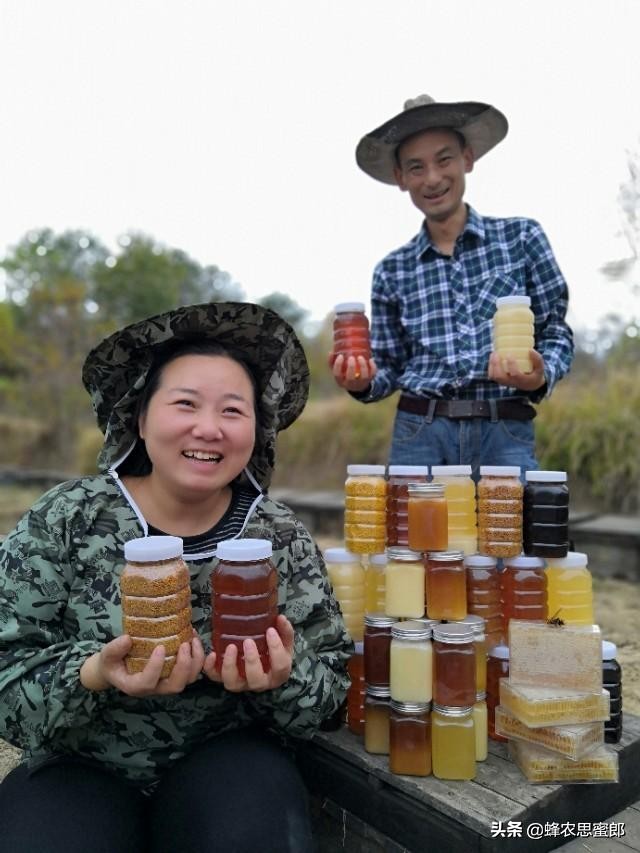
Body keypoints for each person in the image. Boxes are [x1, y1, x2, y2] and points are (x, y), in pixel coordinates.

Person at [0, 301, 352, 853]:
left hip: (229, 759)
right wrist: (93, 673)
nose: (208, 428)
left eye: (233, 411)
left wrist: (285, 674)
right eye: (185, 403)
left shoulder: (278, 537)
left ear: (258, 430)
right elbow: (6, 682)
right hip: (80, 765)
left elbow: (330, 698)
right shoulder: (68, 518)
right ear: (139, 419)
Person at [332, 94, 574, 476]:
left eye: (444, 159)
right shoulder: (391, 271)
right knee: (413, 538)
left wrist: (541, 373)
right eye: (416, 167)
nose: (432, 178)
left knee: (508, 536)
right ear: (400, 178)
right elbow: (390, 366)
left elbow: (555, 330)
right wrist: (361, 381)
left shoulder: (522, 238)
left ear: (467, 159)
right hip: (420, 434)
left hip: (504, 429)